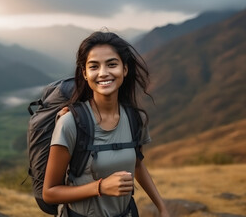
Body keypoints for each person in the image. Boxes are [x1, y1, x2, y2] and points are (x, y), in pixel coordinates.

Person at [43, 31, 169, 217]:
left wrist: (162, 208)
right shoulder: (70, 123)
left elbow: (137, 164)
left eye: (112, 64)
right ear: (85, 73)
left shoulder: (135, 119)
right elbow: (50, 192)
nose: (103, 73)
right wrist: (100, 187)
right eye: (94, 66)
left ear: (124, 69)